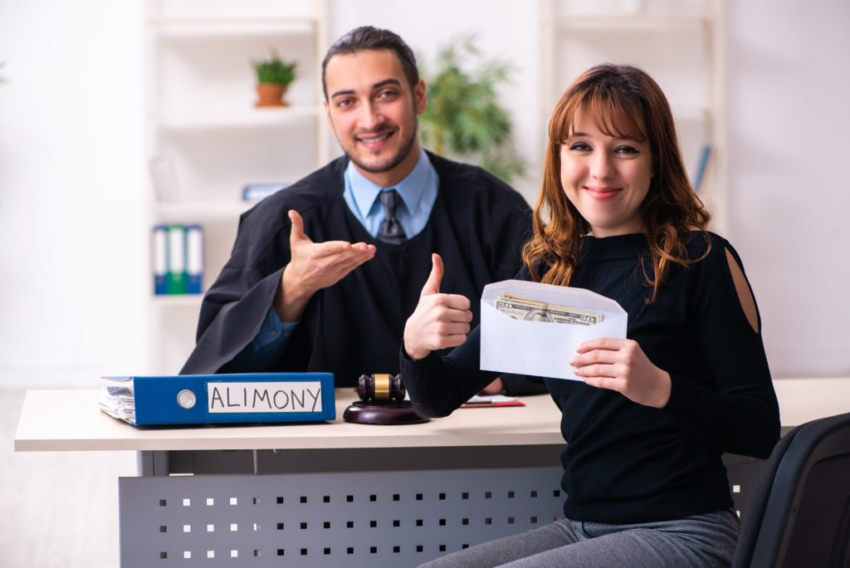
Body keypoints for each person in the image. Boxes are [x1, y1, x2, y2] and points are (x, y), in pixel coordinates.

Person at [400, 63, 780, 568]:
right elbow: (437, 398)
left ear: (655, 161)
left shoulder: (701, 259)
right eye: (581, 146)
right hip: (582, 527)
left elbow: (760, 429)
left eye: (625, 148)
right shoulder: (547, 270)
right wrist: (416, 345)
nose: (600, 169)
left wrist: (661, 388)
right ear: (559, 158)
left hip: (688, 532)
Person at [180, 26, 538, 394]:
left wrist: (477, 378)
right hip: (322, 449)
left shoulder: (494, 210)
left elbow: (553, 340)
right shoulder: (282, 220)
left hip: (477, 442)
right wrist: (290, 289)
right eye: (347, 101)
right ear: (329, 113)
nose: (369, 120)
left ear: (419, 96)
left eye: (385, 94)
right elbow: (216, 373)